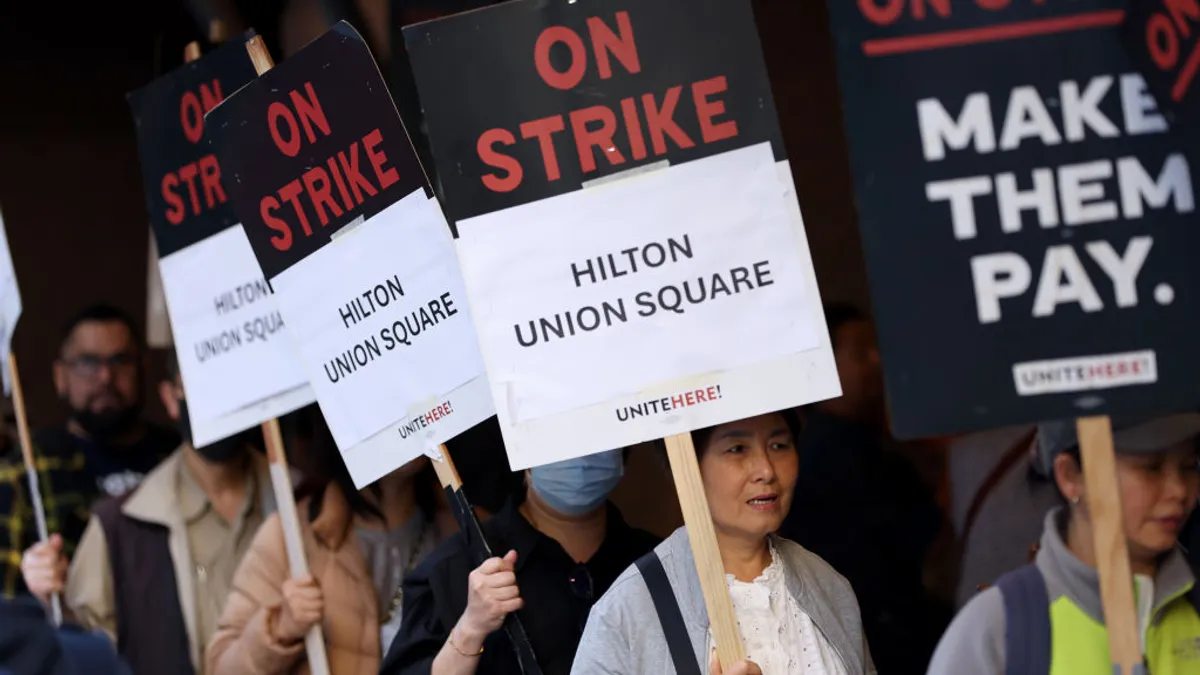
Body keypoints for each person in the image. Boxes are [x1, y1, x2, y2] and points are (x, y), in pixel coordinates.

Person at [19, 352, 275, 674]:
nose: (217, 399)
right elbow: (87, 648)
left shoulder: (304, 503)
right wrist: (51, 598)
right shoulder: (120, 524)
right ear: (170, 397)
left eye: (231, 383)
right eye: (200, 384)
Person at [572, 412, 875, 675]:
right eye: (737, 449)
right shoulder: (628, 610)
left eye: (779, 445)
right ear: (688, 467)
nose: (766, 470)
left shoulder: (829, 586)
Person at [928, 414, 1200, 674]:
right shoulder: (998, 630)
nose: (1179, 490)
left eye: (1189, 466)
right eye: (1151, 467)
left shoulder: (1193, 611)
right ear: (1070, 476)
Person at [380, 447, 659, 675]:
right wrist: (470, 629)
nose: (579, 454)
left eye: (593, 432)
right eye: (556, 432)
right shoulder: (454, 568)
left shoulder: (661, 562)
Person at [779, 303, 948, 674]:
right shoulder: (829, 456)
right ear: (823, 367)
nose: (876, 362)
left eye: (876, 349)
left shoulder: (868, 442)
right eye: (860, 353)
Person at [206, 425, 453, 675]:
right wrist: (280, 627)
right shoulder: (292, 536)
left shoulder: (465, 529)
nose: (403, 418)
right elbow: (221, 667)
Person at [0, 304, 178, 598]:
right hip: (74, 639)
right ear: (60, 376)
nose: (106, 376)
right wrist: (36, 587)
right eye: (87, 362)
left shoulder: (177, 456)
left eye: (120, 360)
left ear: (143, 368)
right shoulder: (25, 470)